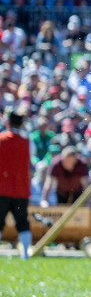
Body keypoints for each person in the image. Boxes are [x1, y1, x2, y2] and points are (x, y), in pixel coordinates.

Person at [0, 110, 32, 259]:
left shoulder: (1, 139)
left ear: (8, 123)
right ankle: (25, 254)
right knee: (22, 222)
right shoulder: (28, 142)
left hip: (2, 188)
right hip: (21, 189)